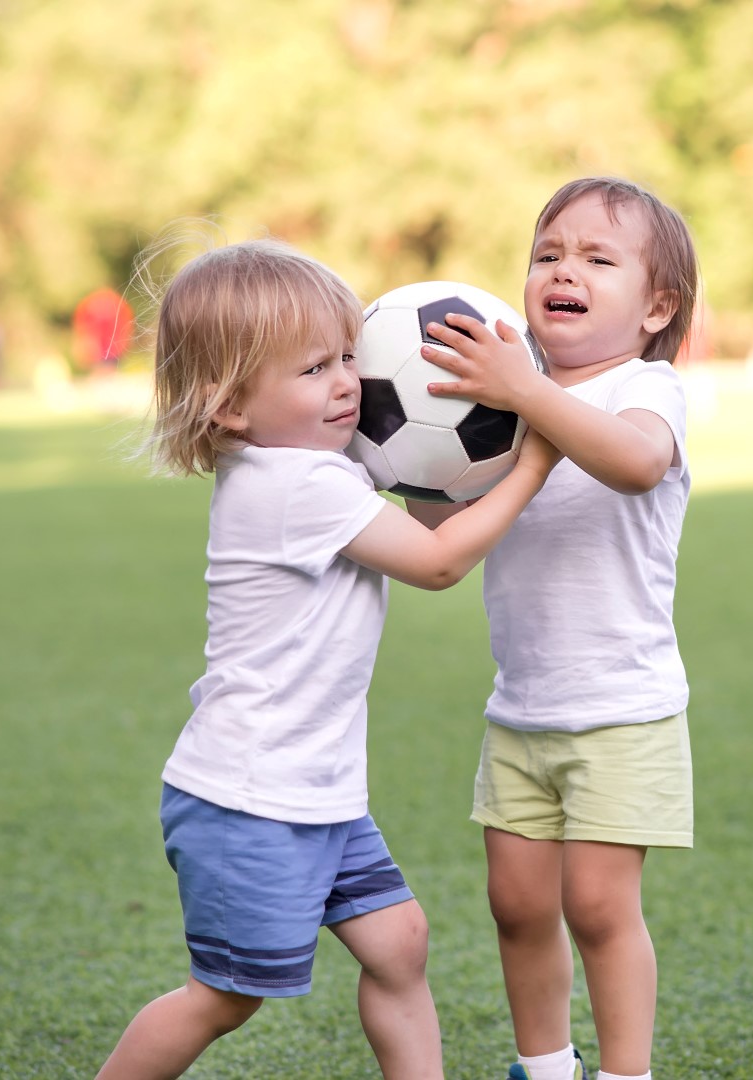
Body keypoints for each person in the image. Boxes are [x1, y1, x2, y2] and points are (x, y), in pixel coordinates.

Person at [95, 237, 561, 1080]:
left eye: (349, 356)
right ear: (229, 406)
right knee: (225, 997)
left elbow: (419, 526)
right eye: (314, 369)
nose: (348, 381)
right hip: (252, 799)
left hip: (313, 791)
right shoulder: (294, 487)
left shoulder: (311, 466)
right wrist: (532, 459)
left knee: (399, 945)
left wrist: (448, 468)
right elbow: (437, 562)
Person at [412, 177, 700, 1080]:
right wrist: (400, 450)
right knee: (517, 905)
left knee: (600, 908)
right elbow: (433, 532)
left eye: (596, 258)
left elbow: (637, 463)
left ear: (656, 307)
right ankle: (545, 1067)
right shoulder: (495, 414)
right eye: (547, 254)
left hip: (624, 710)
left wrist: (526, 394)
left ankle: (625, 1073)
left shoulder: (645, 390)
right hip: (522, 710)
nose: (562, 269)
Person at [74, 286, 136, 372]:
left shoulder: (90, 305)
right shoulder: (117, 303)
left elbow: (83, 327)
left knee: (104, 373)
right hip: (111, 347)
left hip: (106, 348)